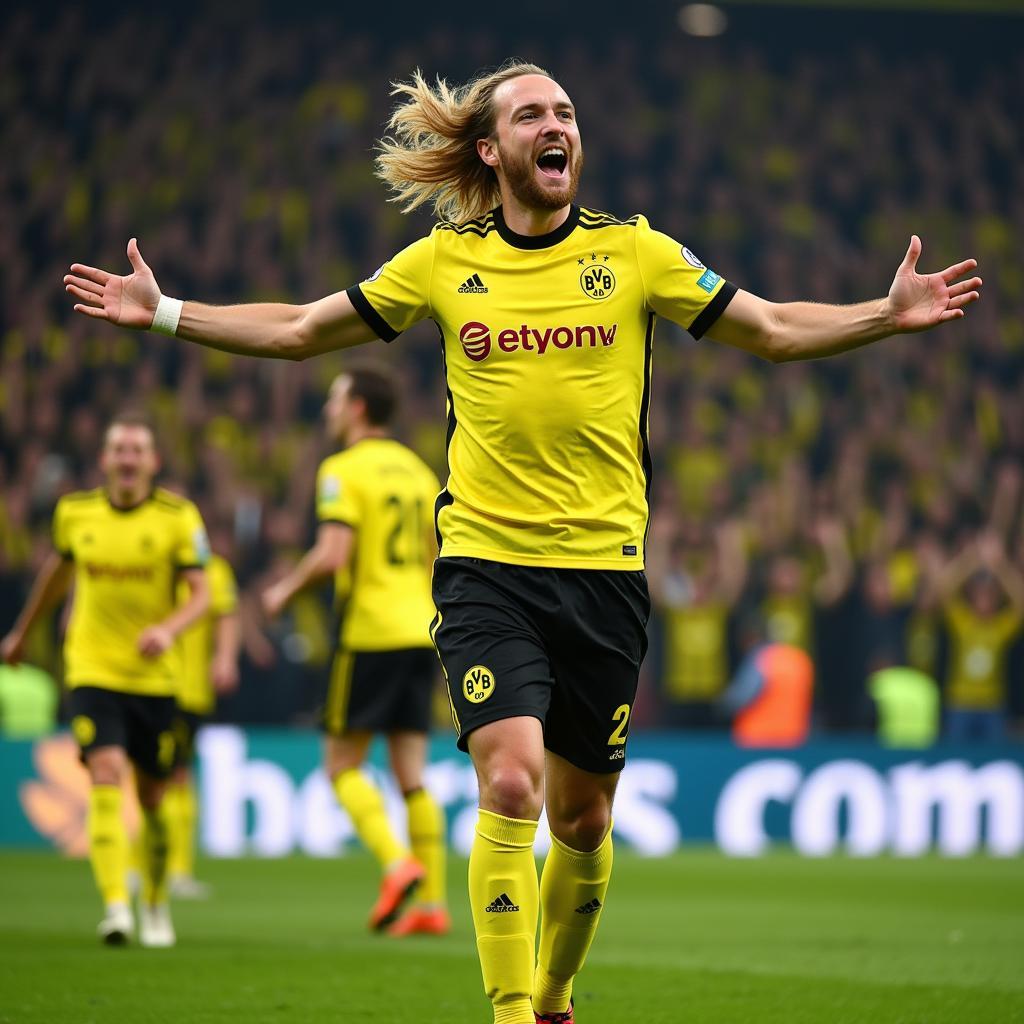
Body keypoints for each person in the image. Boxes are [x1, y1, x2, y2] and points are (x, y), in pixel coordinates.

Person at [63, 61, 982, 1022]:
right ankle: (509, 1014)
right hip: (484, 570)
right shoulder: (441, 263)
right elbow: (298, 328)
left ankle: (551, 994)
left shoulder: (635, 254)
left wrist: (887, 314)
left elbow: (776, 329)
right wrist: (164, 312)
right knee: (508, 781)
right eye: (534, 113)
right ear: (493, 149)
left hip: (606, 577)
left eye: (569, 113)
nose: (559, 126)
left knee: (581, 817)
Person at [0, 412, 210, 947]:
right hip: (92, 669)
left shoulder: (178, 518)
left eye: (137, 449)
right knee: (105, 773)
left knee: (155, 800)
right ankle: (116, 906)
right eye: (118, 448)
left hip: (156, 679)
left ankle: (156, 903)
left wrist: (168, 628)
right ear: (104, 459)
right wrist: (23, 633)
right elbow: (57, 575)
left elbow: (202, 594)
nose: (127, 458)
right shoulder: (76, 514)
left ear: (153, 461)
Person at [261, 366, 448, 936]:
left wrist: (283, 591)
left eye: (337, 398)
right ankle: (432, 907)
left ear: (360, 406)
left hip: (369, 632)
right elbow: (435, 557)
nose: (329, 410)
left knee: (341, 766)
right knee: (412, 774)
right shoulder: (420, 472)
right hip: (422, 631)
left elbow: (334, 555)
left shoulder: (341, 470)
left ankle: (397, 864)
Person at [166, 524, 241, 898]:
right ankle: (143, 864)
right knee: (146, 774)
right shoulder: (154, 563)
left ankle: (176, 869)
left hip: (187, 690)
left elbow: (226, 614)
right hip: (147, 684)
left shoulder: (213, 569)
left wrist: (225, 658)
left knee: (176, 775)